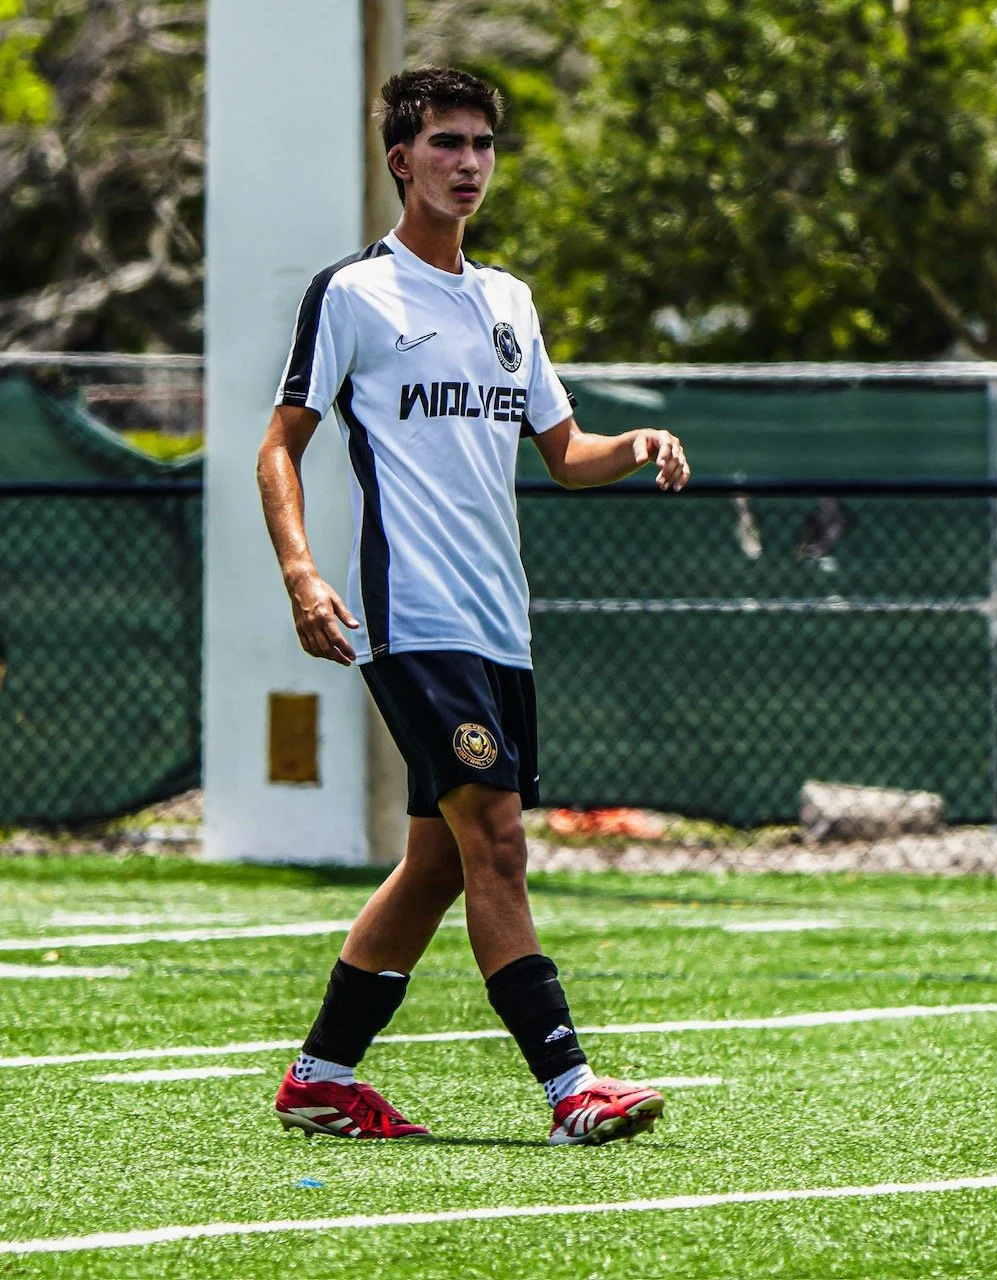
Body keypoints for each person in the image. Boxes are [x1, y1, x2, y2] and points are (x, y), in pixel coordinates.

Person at [257, 66, 690, 1147]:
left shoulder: (507, 301)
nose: (468, 163)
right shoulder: (354, 294)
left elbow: (562, 452)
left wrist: (629, 445)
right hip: (412, 617)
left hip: (500, 621)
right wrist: (304, 573)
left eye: (482, 145)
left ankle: (320, 1075)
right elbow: (280, 444)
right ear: (401, 160)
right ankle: (567, 1086)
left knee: (442, 859)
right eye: (445, 143)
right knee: (494, 839)